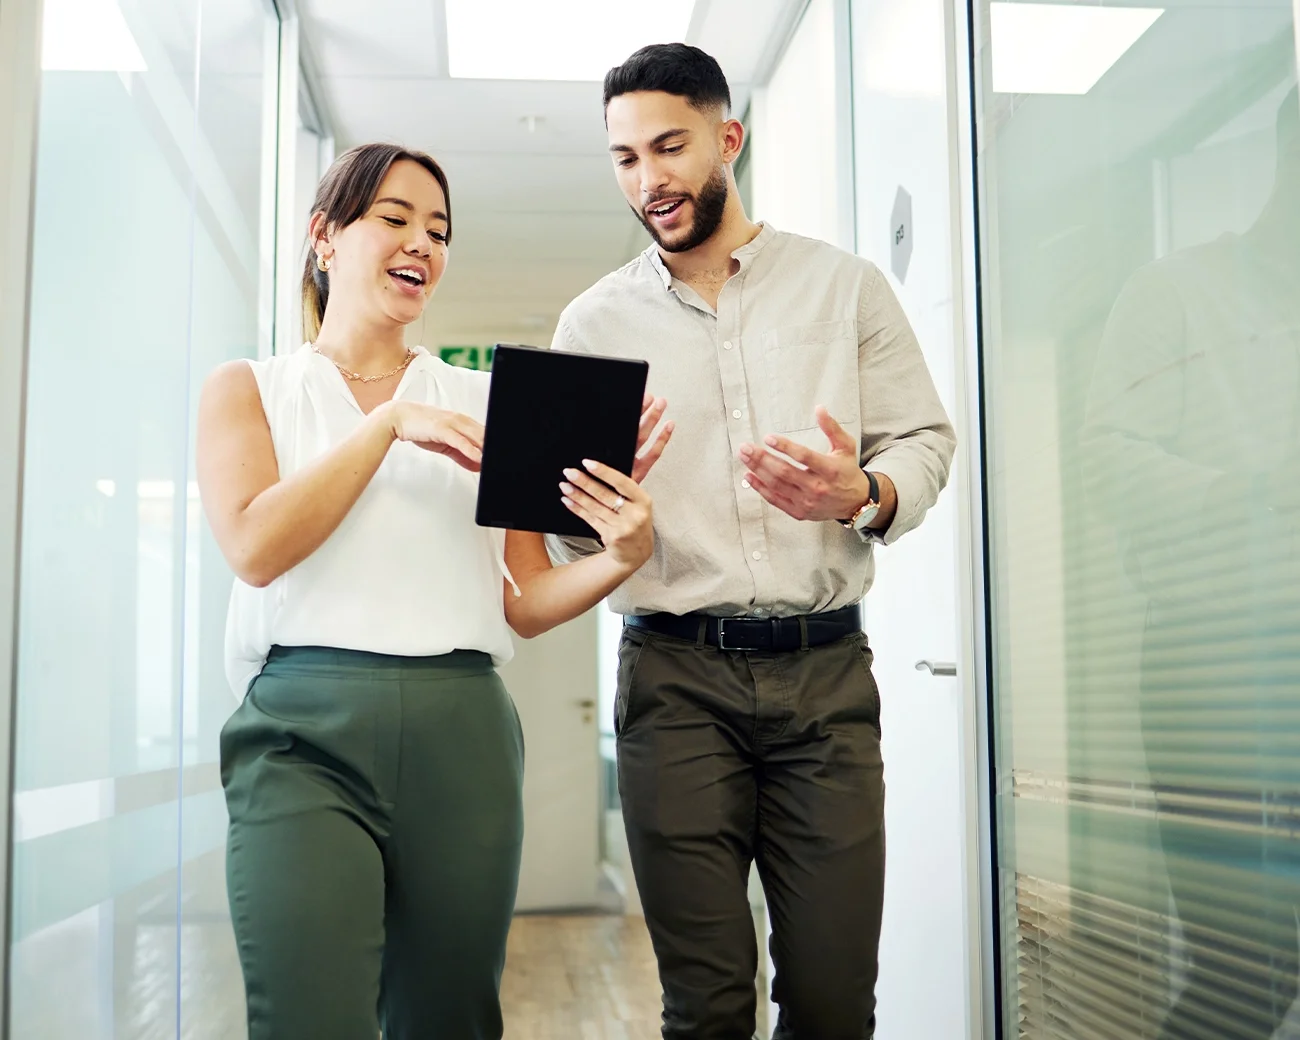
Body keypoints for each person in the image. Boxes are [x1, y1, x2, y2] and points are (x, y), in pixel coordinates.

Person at [195, 142, 672, 1040]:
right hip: (300, 732)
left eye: (440, 230)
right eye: (396, 218)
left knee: (448, 1017)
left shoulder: (496, 401)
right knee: (305, 1015)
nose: (423, 242)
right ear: (324, 239)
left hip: (464, 733)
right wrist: (388, 429)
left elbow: (523, 599)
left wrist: (622, 555)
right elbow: (256, 546)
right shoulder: (248, 390)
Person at [548, 43, 957, 1040]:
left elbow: (924, 438)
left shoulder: (844, 287)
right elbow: (561, 537)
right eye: (624, 157)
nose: (648, 179)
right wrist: (611, 528)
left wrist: (863, 489)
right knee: (707, 1001)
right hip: (674, 682)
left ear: (727, 139)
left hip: (824, 680)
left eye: (669, 147)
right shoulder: (592, 323)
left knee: (829, 997)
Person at [1082, 84, 1300, 1039]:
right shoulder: (1178, 290)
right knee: (1248, 968)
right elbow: (1106, 459)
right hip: (1221, 666)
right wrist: (1252, 494)